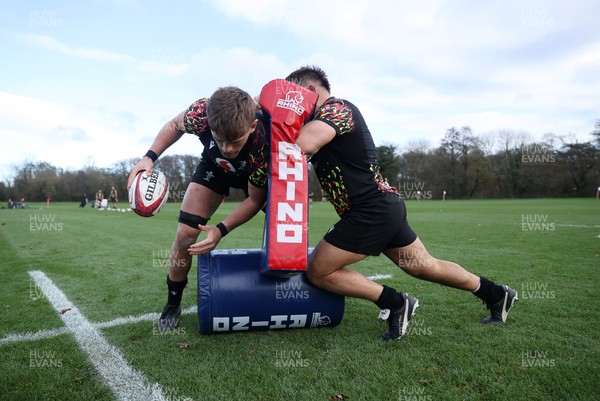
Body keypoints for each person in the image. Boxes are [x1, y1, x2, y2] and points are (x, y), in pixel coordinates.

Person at [285, 66, 517, 340]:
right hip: (381, 209)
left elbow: (302, 144)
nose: (292, 105)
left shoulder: (338, 109)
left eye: (294, 96)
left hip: (370, 210)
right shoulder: (322, 117)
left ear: (310, 91)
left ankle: (395, 303)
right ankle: (496, 294)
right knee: (423, 267)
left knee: (318, 271)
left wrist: (277, 119)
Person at [127, 86, 270, 332]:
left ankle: (286, 288)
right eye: (219, 139)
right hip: (215, 169)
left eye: (234, 141)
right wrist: (149, 156)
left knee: (281, 224)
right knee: (185, 235)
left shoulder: (264, 143)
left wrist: (221, 230)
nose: (227, 148)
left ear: (251, 127)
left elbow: (254, 201)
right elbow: (174, 124)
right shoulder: (202, 113)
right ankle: (173, 302)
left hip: (254, 175)